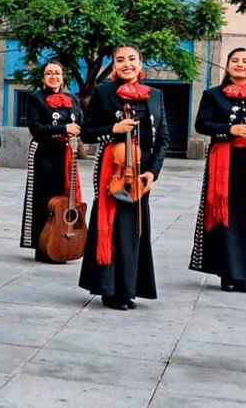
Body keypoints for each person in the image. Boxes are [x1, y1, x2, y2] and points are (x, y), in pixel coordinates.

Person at [78, 44, 168, 310]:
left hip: (141, 172)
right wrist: (113, 129)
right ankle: (109, 288)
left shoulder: (155, 95)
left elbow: (163, 138)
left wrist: (153, 170)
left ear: (141, 63)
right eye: (120, 60)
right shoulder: (105, 93)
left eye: (131, 59)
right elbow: (87, 132)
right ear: (114, 65)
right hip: (112, 170)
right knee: (112, 225)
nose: (126, 63)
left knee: (136, 228)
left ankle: (130, 287)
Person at [189, 47, 246, 293]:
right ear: (227, 66)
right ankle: (227, 273)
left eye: (245, 61)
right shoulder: (213, 95)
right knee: (224, 216)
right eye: (235, 60)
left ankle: (244, 274)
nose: (240, 64)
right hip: (223, 161)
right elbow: (201, 124)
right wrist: (228, 130)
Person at [19, 61, 83, 261]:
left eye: (57, 72)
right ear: (43, 78)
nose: (53, 76)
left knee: (65, 196)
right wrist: (64, 129)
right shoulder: (36, 98)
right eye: (49, 73)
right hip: (44, 153)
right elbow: (36, 128)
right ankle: (42, 244)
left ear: (63, 76)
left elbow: (81, 122)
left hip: (67, 153)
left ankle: (62, 241)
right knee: (44, 198)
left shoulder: (73, 99)